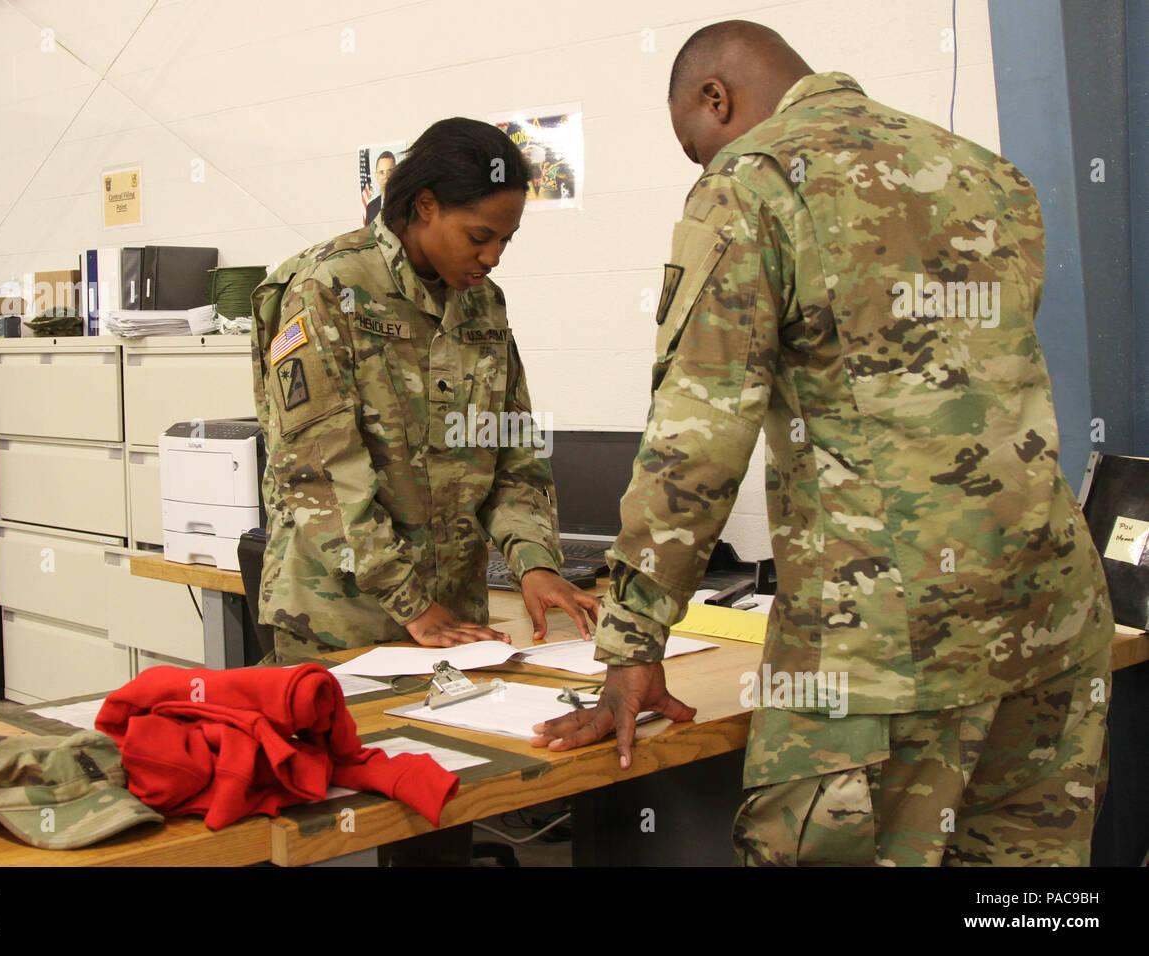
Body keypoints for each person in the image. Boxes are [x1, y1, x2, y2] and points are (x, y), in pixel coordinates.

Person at [531, 20, 1115, 866]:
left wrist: (632, 645)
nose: (703, 165)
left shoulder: (751, 182)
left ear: (716, 98)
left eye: (695, 147)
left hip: (882, 647)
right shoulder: (986, 172)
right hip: (1053, 615)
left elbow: (699, 439)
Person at [250, 117, 600, 659]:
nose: (493, 257)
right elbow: (320, 472)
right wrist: (410, 603)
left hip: (454, 619)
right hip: (341, 622)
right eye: (479, 237)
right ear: (427, 205)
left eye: (505, 240)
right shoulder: (328, 288)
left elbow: (512, 451)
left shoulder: (483, 304)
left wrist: (535, 563)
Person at [363, 150, 396, 226]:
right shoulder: (371, 207)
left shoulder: (404, 203)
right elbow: (370, 232)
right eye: (381, 172)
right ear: (377, 176)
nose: (386, 176)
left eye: (390, 171)